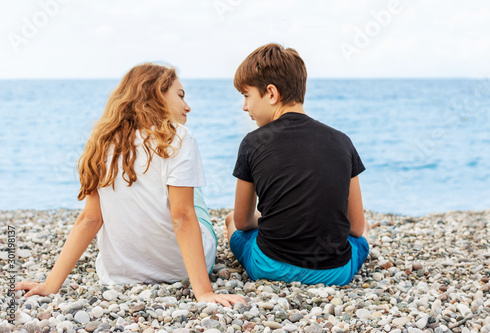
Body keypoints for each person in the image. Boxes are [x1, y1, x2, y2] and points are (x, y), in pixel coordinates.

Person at [16, 63, 245, 307]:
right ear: (157, 94)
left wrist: (50, 286)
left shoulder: (101, 141)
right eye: (180, 96)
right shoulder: (179, 137)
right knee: (191, 193)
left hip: (120, 273)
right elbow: (182, 217)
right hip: (179, 268)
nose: (187, 106)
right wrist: (204, 293)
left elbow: (90, 220)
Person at [225, 43, 370, 286]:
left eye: (246, 96)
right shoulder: (342, 141)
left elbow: (242, 221)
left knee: (231, 220)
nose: (245, 107)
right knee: (362, 237)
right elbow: (356, 226)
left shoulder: (252, 142)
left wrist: (275, 219)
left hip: (269, 267)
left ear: (271, 93)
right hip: (334, 273)